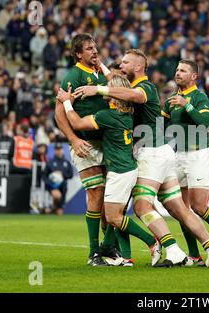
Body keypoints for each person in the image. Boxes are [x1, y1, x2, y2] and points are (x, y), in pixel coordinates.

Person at [73, 49, 209, 267]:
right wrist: (102, 68)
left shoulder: (145, 88)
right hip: (163, 153)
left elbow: (134, 96)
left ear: (137, 67)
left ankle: (173, 250)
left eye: (125, 62)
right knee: (178, 208)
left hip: (150, 154)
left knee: (142, 206)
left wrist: (97, 89)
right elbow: (118, 84)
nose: (121, 64)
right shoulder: (129, 86)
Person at [58, 74, 162, 266]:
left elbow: (77, 123)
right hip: (126, 169)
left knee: (113, 217)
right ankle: (120, 254)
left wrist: (66, 102)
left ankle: (152, 242)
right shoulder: (126, 114)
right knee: (113, 215)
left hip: (120, 172)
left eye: (110, 86)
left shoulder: (108, 116)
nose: (106, 87)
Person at [161, 59, 209, 265]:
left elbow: (205, 123)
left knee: (199, 207)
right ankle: (194, 254)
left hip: (198, 155)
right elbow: (161, 125)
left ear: (194, 76)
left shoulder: (199, 97)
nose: (178, 73)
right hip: (179, 156)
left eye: (183, 70)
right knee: (180, 207)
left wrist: (186, 105)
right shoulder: (171, 100)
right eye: (177, 69)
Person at [54, 33, 118, 266]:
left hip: (108, 143)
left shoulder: (100, 72)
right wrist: (72, 139)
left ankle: (109, 246)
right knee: (97, 194)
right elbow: (59, 111)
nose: (94, 51)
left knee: (113, 197)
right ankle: (94, 253)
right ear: (78, 53)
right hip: (85, 144)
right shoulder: (74, 75)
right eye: (89, 48)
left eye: (95, 47)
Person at [42, 143, 73, 215]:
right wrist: (52, 187)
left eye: (60, 149)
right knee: (57, 196)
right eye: (57, 149)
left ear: (62, 150)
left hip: (63, 187)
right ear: (55, 151)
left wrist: (62, 174)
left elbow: (70, 175)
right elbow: (44, 176)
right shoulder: (50, 162)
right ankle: (51, 207)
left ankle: (56, 208)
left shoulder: (67, 162)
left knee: (59, 213)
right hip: (52, 186)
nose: (58, 151)